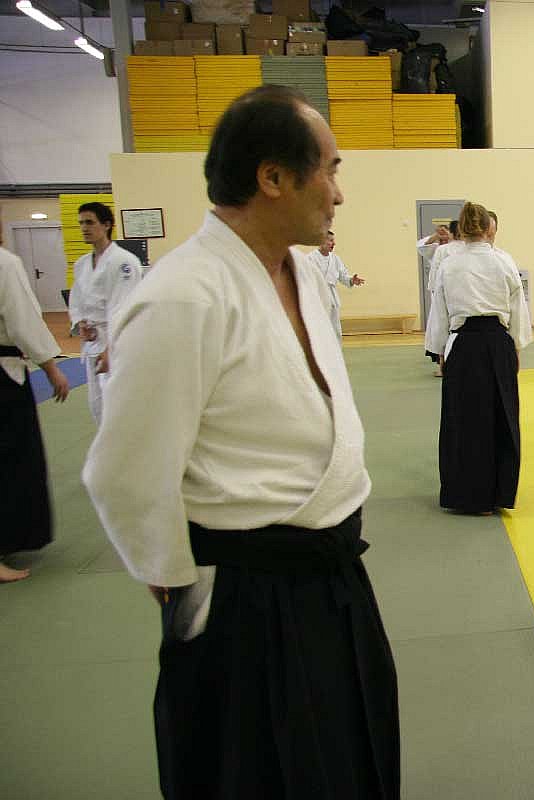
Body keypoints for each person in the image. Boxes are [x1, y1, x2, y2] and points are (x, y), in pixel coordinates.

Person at [81, 86, 400, 799]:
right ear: (273, 177)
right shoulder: (183, 296)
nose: (339, 193)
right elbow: (123, 474)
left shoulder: (301, 272)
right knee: (260, 774)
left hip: (332, 577)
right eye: (330, 170)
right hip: (245, 597)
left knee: (347, 762)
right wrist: (184, 592)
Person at [426, 201, 532, 514]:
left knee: (464, 421)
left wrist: (440, 349)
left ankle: (467, 495)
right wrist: (516, 346)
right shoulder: (504, 261)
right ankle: (499, 493)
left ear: (461, 229)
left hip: (463, 344)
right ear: (488, 228)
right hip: (498, 342)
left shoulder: (449, 264)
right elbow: (518, 308)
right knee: (502, 417)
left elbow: (440, 311)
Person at [0, 244, 71, 583]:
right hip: (3, 378)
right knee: (10, 460)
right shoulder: (5, 263)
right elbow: (22, 321)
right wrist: (51, 368)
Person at [67, 201, 142, 423]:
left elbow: (124, 308)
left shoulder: (124, 262)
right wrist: (80, 323)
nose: (84, 228)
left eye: (90, 222)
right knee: (97, 405)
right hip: (92, 342)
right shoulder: (81, 264)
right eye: (81, 223)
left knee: (120, 404)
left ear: (107, 225)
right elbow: (76, 300)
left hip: (118, 342)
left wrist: (111, 349)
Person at [306, 229, 365, 339]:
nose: (334, 243)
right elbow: (306, 279)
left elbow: (343, 276)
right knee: (318, 330)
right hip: (317, 297)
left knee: (335, 330)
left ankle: (336, 350)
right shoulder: (310, 258)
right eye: (331, 240)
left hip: (332, 298)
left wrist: (351, 280)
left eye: (334, 240)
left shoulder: (335, 259)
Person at [425, 220, 465, 376]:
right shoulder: (468, 249)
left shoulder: (443, 250)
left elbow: (435, 275)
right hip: (463, 297)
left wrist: (435, 292)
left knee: (442, 329)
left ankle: (443, 367)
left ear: (451, 233)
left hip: (445, 294)